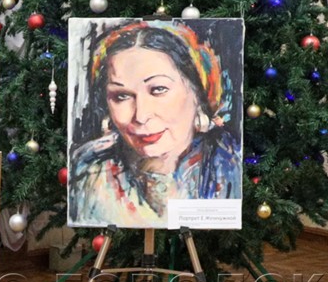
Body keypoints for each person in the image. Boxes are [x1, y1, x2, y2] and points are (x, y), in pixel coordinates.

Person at [68, 20, 239, 225]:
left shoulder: (231, 166)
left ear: (198, 93)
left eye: (158, 89)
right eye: (121, 96)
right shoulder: (86, 172)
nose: (141, 116)